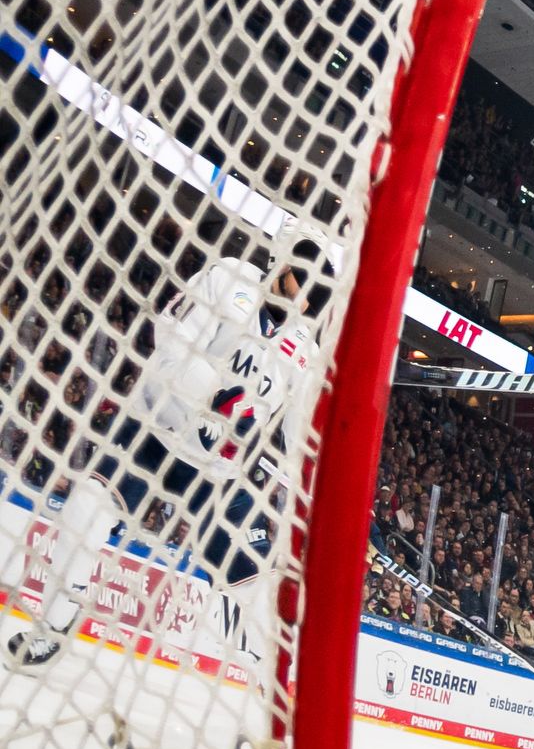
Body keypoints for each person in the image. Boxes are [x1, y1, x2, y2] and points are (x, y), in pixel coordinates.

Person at [7, 247, 311, 674]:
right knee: (85, 507)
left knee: (251, 583)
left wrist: (293, 472)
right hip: (154, 430)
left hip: (218, 472)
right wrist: (210, 403)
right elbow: (170, 339)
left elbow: (301, 434)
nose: (306, 292)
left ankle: (273, 686)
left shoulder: (303, 351)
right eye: (301, 275)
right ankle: (55, 624)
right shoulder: (228, 277)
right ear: (281, 264)